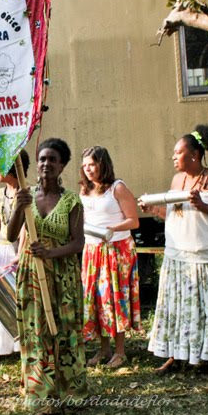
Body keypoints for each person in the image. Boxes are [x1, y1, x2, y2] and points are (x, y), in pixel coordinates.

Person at [139, 124, 208, 373]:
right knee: (179, 307)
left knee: (207, 308)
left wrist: (204, 206)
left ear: (194, 155)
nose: (173, 157)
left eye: (178, 152)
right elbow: (177, 215)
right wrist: (153, 210)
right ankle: (176, 353)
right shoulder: (177, 180)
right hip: (179, 255)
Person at [7, 138, 88, 415]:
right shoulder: (27, 196)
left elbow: (78, 243)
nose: (45, 164)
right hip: (31, 275)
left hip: (62, 276)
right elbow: (10, 235)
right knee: (36, 332)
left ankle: (69, 392)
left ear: (62, 165)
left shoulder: (71, 201)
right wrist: (19, 206)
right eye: (42, 159)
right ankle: (41, 396)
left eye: (52, 159)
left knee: (63, 331)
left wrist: (51, 253)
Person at [79, 146, 141, 368]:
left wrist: (110, 229)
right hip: (92, 250)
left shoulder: (117, 188)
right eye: (85, 165)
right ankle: (103, 350)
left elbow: (134, 221)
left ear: (103, 164)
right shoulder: (84, 191)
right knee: (96, 300)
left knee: (114, 299)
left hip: (115, 250)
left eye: (92, 164)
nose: (88, 169)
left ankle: (120, 351)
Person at [0, 150, 29, 364]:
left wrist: (21, 254)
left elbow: (28, 227)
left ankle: (24, 345)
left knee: (23, 298)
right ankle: (3, 347)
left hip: (22, 250)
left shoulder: (28, 193)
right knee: (0, 298)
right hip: (2, 251)